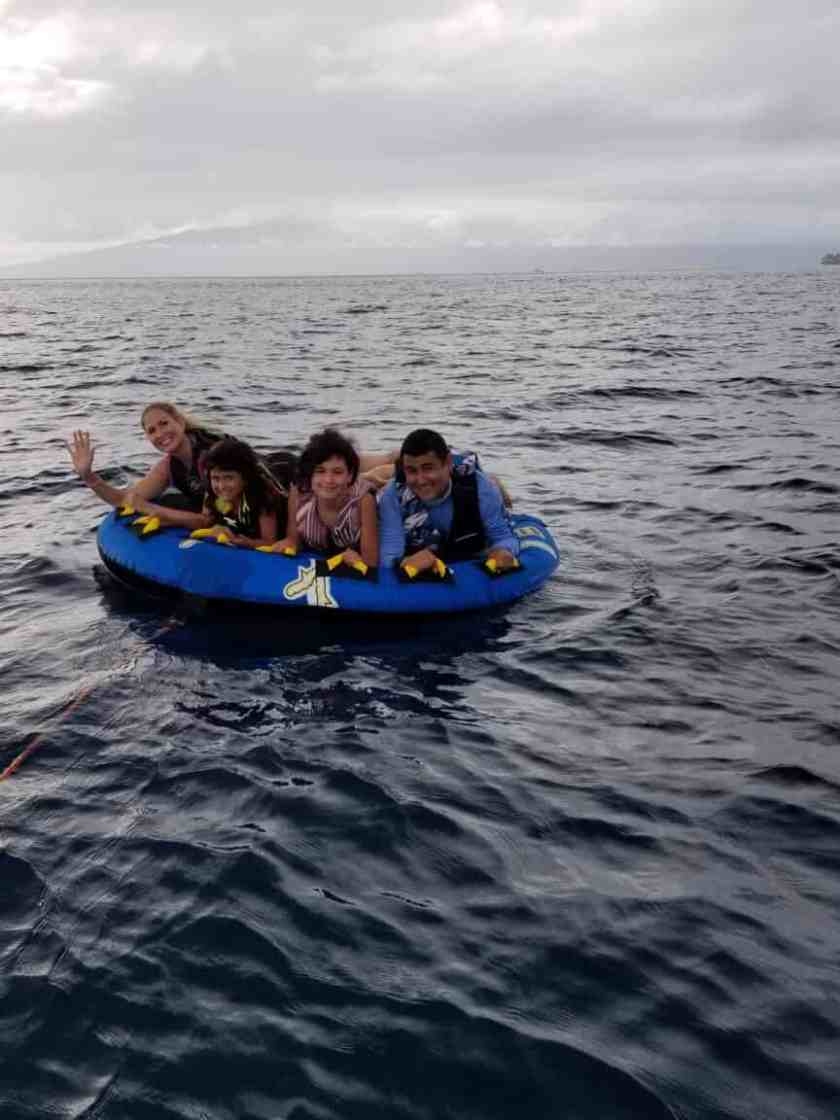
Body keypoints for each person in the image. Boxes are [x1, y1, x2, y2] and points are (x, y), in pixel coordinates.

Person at [66, 401, 391, 531]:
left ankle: (396, 463)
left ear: (180, 421)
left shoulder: (211, 456)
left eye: (164, 423)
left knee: (353, 477)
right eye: (151, 431)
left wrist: (157, 512)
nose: (160, 433)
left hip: (279, 478)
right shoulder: (168, 467)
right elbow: (128, 499)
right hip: (272, 466)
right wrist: (89, 476)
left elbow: (207, 517)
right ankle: (391, 459)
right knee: (345, 467)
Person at [378, 428, 519, 574]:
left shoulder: (479, 488)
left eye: (428, 468)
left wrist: (503, 551)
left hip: (471, 555)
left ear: (448, 463)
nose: (420, 480)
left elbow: (503, 537)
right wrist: (406, 562)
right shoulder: (393, 495)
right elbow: (389, 556)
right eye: (411, 470)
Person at [274, 428, 378, 568]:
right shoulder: (299, 492)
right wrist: (287, 544)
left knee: (378, 476)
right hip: (323, 548)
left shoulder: (364, 499)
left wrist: (356, 558)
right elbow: (293, 541)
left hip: (361, 490)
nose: (328, 480)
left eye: (337, 472)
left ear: (349, 475)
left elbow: (370, 561)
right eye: (320, 471)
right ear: (310, 473)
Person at [197, 438, 283, 548]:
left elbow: (270, 542)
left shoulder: (262, 498)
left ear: (245, 478)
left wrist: (244, 542)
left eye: (229, 478)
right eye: (215, 478)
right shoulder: (212, 493)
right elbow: (206, 521)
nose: (221, 486)